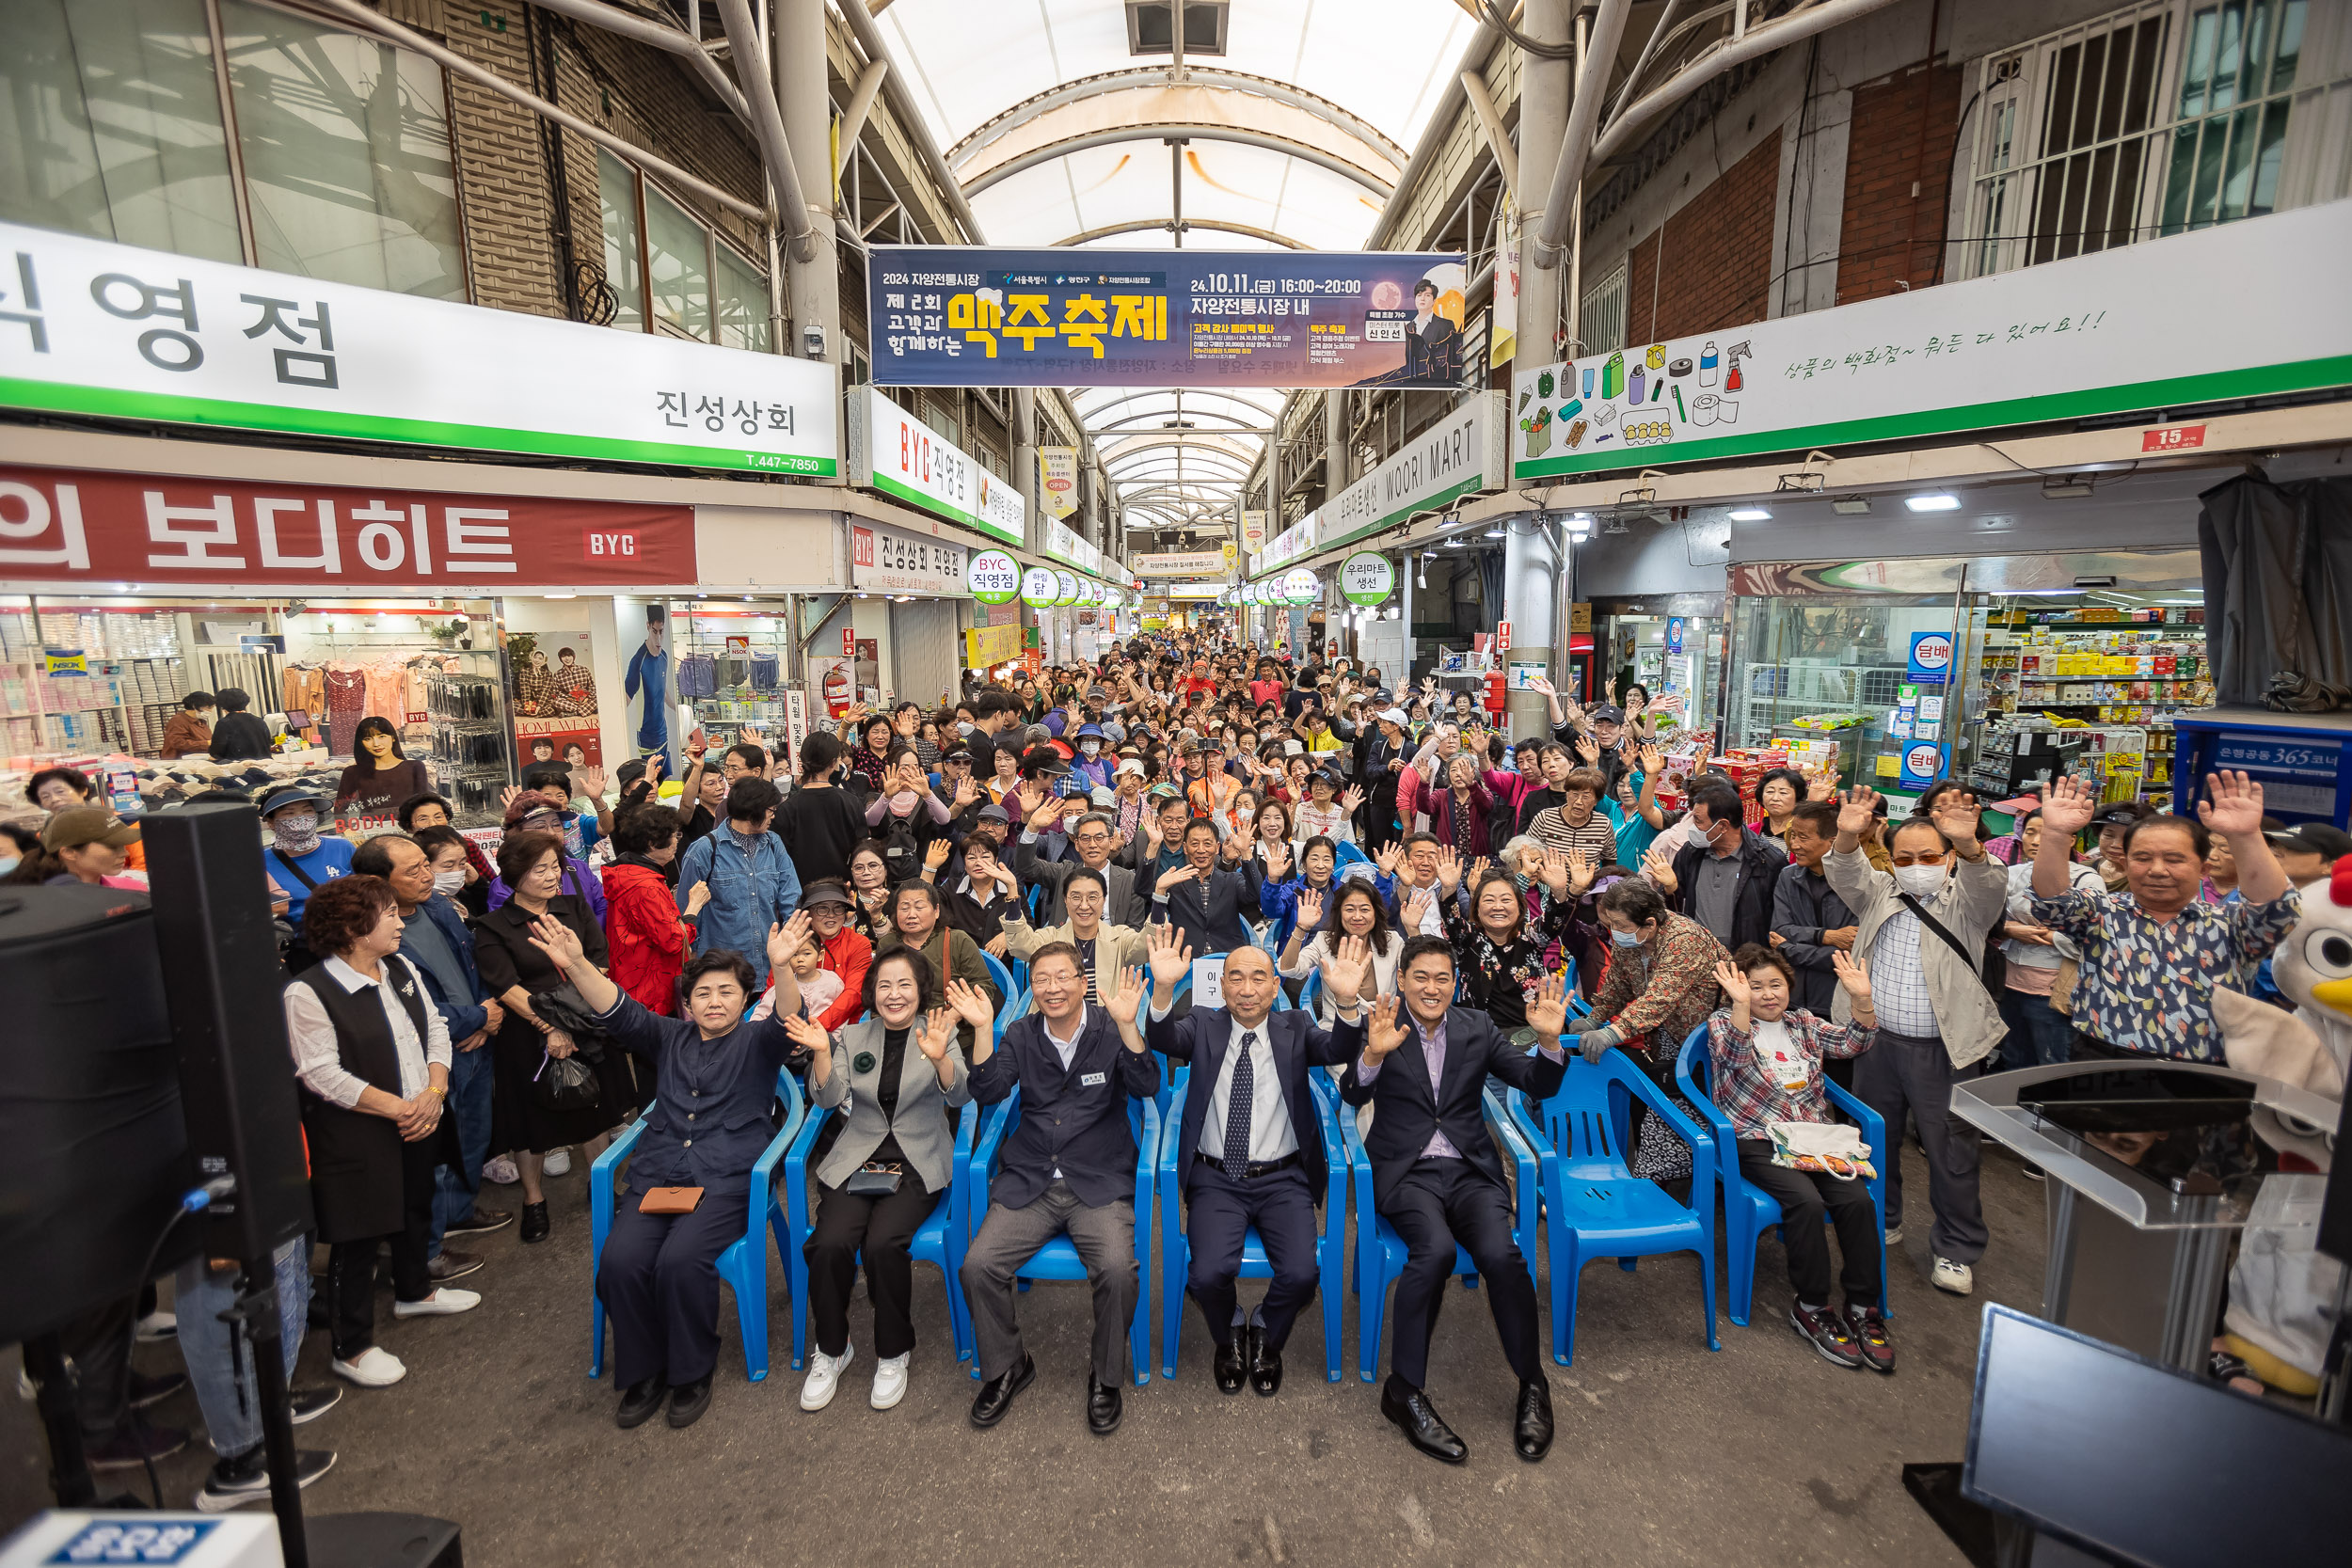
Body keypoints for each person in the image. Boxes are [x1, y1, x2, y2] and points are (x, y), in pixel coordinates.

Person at [529, 909, 806, 1427]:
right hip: (658, 1177)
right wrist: (575, 963)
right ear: (687, 1002)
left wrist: (783, 969)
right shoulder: (668, 1038)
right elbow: (618, 1009)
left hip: (726, 1180)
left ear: (744, 999)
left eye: (726, 992)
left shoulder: (757, 1041)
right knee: (618, 1264)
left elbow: (789, 1020)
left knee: (681, 1262)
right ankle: (645, 1369)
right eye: (702, 993)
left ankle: (691, 1370)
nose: (714, 1001)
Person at [1338, 938, 1569, 1464]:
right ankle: (1403, 1391)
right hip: (1406, 1172)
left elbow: (1536, 1082)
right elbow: (1351, 1094)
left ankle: (1533, 1384)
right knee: (1435, 1252)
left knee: (1502, 1256)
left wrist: (1550, 1044)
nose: (1432, 988)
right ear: (1401, 980)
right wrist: (1373, 1054)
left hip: (1469, 1170)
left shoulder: (1477, 1027)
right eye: (1421, 977)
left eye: (1442, 978)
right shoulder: (1381, 1022)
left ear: (1455, 983)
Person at [1145, 930, 1367, 1395]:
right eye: (1237, 979)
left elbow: (1340, 1050)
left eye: (1259, 979)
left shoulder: (1297, 1026)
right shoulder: (1204, 1024)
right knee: (1205, 1275)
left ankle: (1266, 1328)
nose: (1247, 989)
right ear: (1222, 987)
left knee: (1303, 1274)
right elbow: (1164, 1035)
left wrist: (1347, 1003)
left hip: (1283, 1176)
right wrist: (1163, 990)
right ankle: (1228, 1331)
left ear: (1274, 987)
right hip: (1216, 1176)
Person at [283, 876, 479, 1388]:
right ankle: (351, 1347)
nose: (398, 921)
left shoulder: (398, 965)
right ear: (351, 928)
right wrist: (400, 1108)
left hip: (420, 1112)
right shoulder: (308, 991)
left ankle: (414, 1292)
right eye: (387, 913)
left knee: (416, 1206)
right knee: (360, 1235)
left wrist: (434, 1093)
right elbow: (320, 1072)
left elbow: (434, 1026)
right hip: (358, 1132)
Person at [957, 944, 1160, 1435]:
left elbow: (1147, 1083)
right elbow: (989, 1090)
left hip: (1098, 1179)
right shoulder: (1022, 1033)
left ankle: (1106, 1375)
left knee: (1116, 1269)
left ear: (1082, 980)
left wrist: (1131, 1028)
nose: (1052, 988)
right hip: (1032, 1179)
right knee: (978, 1266)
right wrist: (983, 1030)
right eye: (1042, 979)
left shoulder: (1110, 1024)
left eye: (1062, 977)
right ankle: (1008, 1365)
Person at [1824, 785, 2008, 1297]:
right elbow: (1844, 870)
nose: (1917, 865)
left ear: (1949, 860)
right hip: (1876, 1043)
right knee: (1873, 1139)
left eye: (1930, 856)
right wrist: (1846, 831)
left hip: (1944, 1051)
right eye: (1905, 857)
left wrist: (1970, 846)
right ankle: (1882, 1217)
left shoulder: (1969, 901)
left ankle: (1956, 1247)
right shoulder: (1882, 890)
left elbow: (1989, 884)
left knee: (1952, 1151)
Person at [784, 945, 972, 1413]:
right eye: (884, 985)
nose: (894, 994)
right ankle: (832, 1348)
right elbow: (828, 1100)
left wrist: (941, 1059)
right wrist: (823, 1054)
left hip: (918, 1157)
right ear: (871, 991)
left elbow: (962, 1094)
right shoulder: (850, 1036)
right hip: (859, 1157)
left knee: (884, 1243)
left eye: (904, 984)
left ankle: (893, 1350)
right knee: (828, 1243)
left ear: (920, 989)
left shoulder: (938, 1031)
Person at [1704, 945, 1891, 1371]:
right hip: (1756, 1139)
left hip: (1812, 1138)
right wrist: (1738, 1006)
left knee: (1857, 1202)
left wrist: (1861, 999)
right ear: (1736, 989)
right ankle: (1811, 1306)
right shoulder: (1721, 1023)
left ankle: (1863, 1307)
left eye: (1776, 984)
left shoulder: (1804, 1022)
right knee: (1805, 1203)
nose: (1768, 995)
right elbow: (1732, 1056)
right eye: (1755, 987)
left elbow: (1853, 1043)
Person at [2029, 771, 2298, 1066]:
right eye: (2142, 858)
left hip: (2205, 1074)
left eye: (2174, 859)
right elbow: (2052, 902)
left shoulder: (2232, 924)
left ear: (2203, 869)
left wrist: (2246, 836)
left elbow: (2277, 911)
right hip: (2101, 1063)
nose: (2157, 870)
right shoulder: (2101, 913)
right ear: (2126, 862)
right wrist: (2055, 834)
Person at [350, 834, 510, 1277]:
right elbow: (406, 1004)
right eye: (413, 870)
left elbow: (473, 964)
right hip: (432, 1056)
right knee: (435, 1154)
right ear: (377, 881)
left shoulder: (438, 907)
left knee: (474, 1136)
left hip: (476, 1039)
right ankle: (427, 1250)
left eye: (426, 864)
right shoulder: (369, 935)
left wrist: (486, 1013)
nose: (427, 875)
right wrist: (473, 1019)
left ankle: (460, 1213)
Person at [473, 829, 631, 1244]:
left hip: (586, 1027)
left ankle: (601, 1187)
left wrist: (574, 1024)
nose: (551, 876)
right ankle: (534, 1200)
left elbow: (597, 963)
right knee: (532, 1123)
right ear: (513, 874)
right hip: (528, 1038)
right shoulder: (493, 927)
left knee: (593, 1108)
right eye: (539, 869)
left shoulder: (572, 907)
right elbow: (507, 987)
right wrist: (552, 1027)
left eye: (555, 867)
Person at [1574, 878, 1728, 1174]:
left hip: (1713, 1041)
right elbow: (1617, 984)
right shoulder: (1630, 937)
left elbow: (1658, 999)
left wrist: (1611, 1033)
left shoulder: (1683, 939)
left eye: (1620, 925)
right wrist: (1595, 1016)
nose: (1613, 931)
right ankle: (1673, 1176)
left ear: (1650, 924)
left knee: (1683, 1119)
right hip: (1670, 1035)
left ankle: (1696, 1182)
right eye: (1611, 923)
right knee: (1663, 1114)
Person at [1997, 807, 2103, 1072]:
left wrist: (2051, 935)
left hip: (2054, 990)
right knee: (2014, 1058)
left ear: (2070, 840)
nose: (2035, 840)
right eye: (2030, 832)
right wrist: (2008, 929)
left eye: (2045, 833)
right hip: (2010, 983)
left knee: (2052, 1063)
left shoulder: (2086, 879)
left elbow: (2096, 938)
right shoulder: (2013, 873)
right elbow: (1988, 918)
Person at [674, 777, 803, 993]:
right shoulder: (705, 849)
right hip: (722, 971)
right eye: (771, 810)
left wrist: (792, 941)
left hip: (768, 966)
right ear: (754, 811)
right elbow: (685, 911)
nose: (773, 815)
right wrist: (693, 960)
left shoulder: (773, 843)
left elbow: (791, 896)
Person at [1438, 855, 1577, 1035]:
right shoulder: (1468, 938)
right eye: (1489, 900)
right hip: (1477, 1036)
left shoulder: (1532, 937)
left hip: (1528, 1033)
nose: (1498, 907)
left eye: (1506, 900)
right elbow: (1452, 922)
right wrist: (1449, 888)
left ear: (1520, 907)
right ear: (1477, 908)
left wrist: (1558, 891)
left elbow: (1554, 919)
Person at [1653, 777, 1786, 954]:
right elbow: (1676, 912)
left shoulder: (1767, 860)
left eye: (1698, 821)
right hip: (1696, 957)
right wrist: (1670, 889)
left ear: (1723, 826)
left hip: (1744, 961)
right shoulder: (1690, 852)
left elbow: (1777, 920)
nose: (1693, 828)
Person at [877, 879, 1001, 1058]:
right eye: (904, 908)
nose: (911, 914)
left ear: (936, 911)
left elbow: (984, 987)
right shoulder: (887, 944)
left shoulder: (957, 940)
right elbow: (878, 990)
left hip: (953, 1035)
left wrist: (954, 1015)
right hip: (899, 1033)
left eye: (919, 907)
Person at [603, 804, 707, 1017]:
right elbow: (673, 941)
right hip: (650, 990)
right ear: (652, 843)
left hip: (634, 980)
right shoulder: (645, 885)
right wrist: (694, 906)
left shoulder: (628, 872)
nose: (677, 841)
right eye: (673, 835)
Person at [1001, 866, 1148, 1006]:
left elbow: (1145, 946)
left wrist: (1159, 897)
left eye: (1092, 897)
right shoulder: (1050, 938)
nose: (1084, 906)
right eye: (1076, 897)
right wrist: (1013, 893)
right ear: (1065, 900)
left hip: (1106, 1024)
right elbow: (1021, 945)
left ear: (1104, 900)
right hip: (1058, 1023)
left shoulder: (1120, 937)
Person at [1769, 800, 1859, 1023]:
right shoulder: (1788, 877)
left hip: (1838, 1001)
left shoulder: (1859, 885)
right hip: (1793, 999)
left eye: (1803, 837)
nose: (1794, 845)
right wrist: (1826, 936)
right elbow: (1779, 929)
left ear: (1832, 842)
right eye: (1793, 836)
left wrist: (1788, 948)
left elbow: (1848, 955)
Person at [1149, 817, 1267, 956]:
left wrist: (1246, 852)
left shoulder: (1232, 880)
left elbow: (1257, 895)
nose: (1201, 850)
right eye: (1194, 844)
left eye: (1207, 843)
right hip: (1186, 964)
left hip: (1227, 962)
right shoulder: (1174, 883)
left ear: (1217, 848)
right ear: (1185, 848)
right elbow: (1157, 925)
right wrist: (1160, 891)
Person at [486, 796, 609, 922]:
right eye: (540, 827)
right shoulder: (505, 884)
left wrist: (589, 937)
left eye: (556, 825)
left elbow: (603, 908)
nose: (552, 833)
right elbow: (508, 930)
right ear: (517, 834)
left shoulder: (578, 868)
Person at [1016, 805, 1141, 927]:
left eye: (1099, 837)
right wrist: (1032, 827)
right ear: (1077, 844)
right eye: (1085, 838)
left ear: (1111, 842)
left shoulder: (1129, 881)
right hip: (1065, 945)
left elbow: (1134, 928)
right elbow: (1027, 865)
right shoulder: (1064, 872)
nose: (1092, 844)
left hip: (1111, 945)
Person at [773, 732, 866, 887]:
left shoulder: (786, 808)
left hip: (801, 894)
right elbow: (861, 850)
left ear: (801, 760)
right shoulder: (851, 802)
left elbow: (780, 859)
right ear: (833, 763)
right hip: (842, 891)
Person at [259, 785, 353, 931]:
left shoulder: (343, 847)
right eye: (289, 813)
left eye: (308, 811)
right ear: (271, 823)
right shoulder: (260, 863)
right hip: (302, 945)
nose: (301, 819)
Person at [7, 807, 144, 889]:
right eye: (113, 846)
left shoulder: (134, 888)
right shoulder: (40, 904)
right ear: (69, 852)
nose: (125, 853)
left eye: (123, 845)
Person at [335, 717, 433, 819]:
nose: (376, 744)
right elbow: (340, 809)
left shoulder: (415, 767)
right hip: (370, 830)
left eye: (381, 736)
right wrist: (346, 831)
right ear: (361, 743)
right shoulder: (352, 772)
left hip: (407, 829)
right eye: (368, 739)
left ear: (393, 737)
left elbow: (424, 806)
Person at [411, 822, 491, 922]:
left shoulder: (461, 897)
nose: (457, 871)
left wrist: (477, 885)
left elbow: (487, 917)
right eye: (448, 866)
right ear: (424, 867)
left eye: (462, 863)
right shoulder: (415, 910)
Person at [209, 687, 276, 761]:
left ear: (222, 706)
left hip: (239, 768)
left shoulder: (224, 723)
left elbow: (216, 753)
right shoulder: (260, 721)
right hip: (265, 765)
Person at [160, 691, 215, 759]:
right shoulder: (178, 721)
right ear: (195, 706)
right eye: (209, 708)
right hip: (180, 762)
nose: (211, 711)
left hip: (200, 760)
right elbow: (179, 743)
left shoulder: (201, 721)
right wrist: (207, 743)